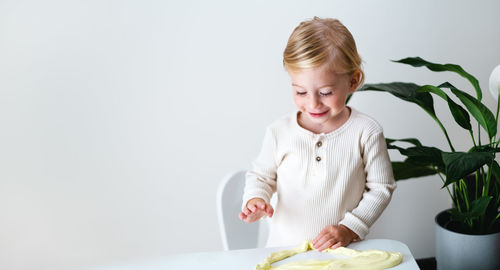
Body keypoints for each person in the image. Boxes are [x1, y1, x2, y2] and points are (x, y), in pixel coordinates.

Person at [238, 17, 396, 251]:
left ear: (353, 81)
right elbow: (261, 176)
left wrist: (350, 228)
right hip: (285, 252)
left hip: (344, 252)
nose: (313, 103)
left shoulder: (366, 132)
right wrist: (256, 199)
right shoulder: (278, 132)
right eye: (300, 91)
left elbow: (382, 187)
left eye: (325, 92)